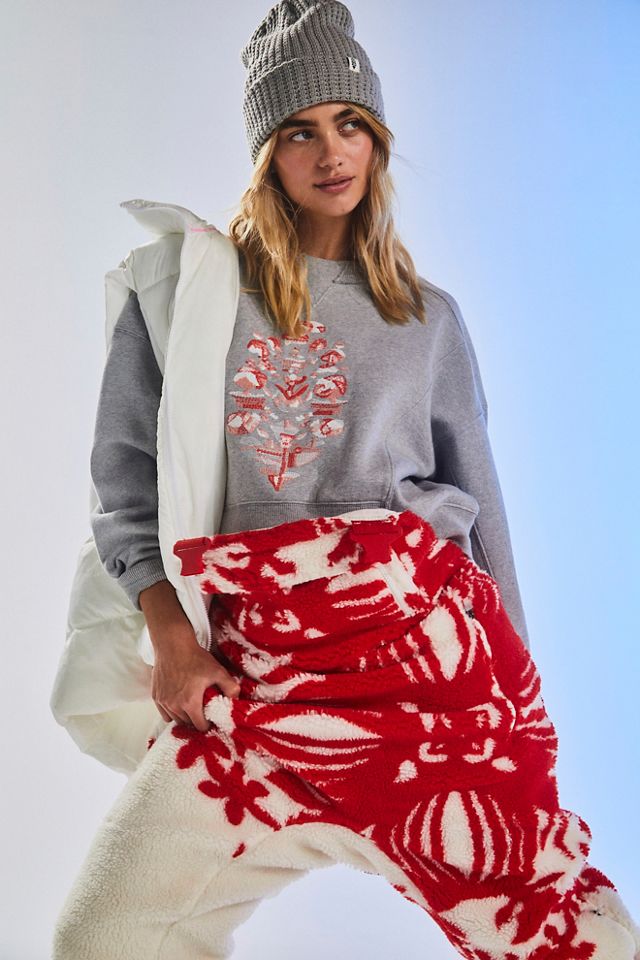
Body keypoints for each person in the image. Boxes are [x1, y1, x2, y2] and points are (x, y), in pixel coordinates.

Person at [51, 2, 640, 959]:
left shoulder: (427, 318)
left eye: (351, 123)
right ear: (266, 155)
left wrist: (519, 709)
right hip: (254, 686)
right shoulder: (189, 297)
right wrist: (171, 638)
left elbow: (481, 514)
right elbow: (125, 487)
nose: (332, 153)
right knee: (108, 934)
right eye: (300, 132)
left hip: (424, 677)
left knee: (562, 937)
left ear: (378, 138)